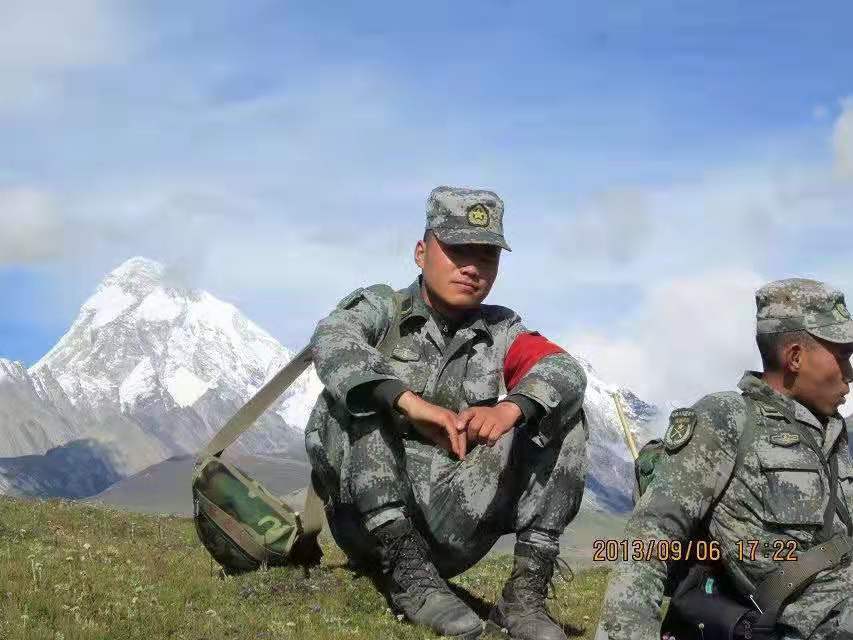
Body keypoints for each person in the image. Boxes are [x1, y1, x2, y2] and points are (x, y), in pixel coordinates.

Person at [305, 185, 588, 640]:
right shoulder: (383, 309)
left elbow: (564, 368)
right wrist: (407, 401)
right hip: (367, 524)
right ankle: (407, 577)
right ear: (421, 253)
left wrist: (512, 408)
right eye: (457, 251)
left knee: (561, 411)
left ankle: (524, 596)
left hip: (453, 520)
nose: (472, 268)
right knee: (357, 395)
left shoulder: (502, 330)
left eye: (487, 256)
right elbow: (332, 338)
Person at [596, 278, 853, 640]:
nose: (850, 373)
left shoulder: (831, 431)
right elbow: (652, 535)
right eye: (842, 356)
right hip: (809, 623)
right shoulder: (727, 418)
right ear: (795, 357)